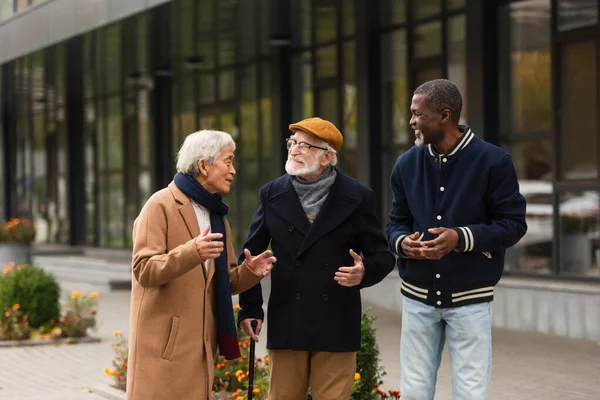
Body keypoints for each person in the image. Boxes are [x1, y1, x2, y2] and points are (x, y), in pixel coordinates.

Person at [386, 79, 527, 399]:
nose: (411, 122)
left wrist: (460, 238)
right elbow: (396, 222)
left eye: (417, 114)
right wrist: (401, 244)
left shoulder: (493, 161)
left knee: (470, 392)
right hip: (416, 298)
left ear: (444, 116)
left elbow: (513, 225)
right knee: (414, 390)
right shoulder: (406, 164)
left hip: (470, 300)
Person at [237, 117, 395, 400]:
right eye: (292, 143)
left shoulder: (358, 197)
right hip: (288, 319)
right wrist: (250, 309)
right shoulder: (272, 193)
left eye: (303, 145)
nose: (294, 150)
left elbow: (383, 256)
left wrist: (365, 271)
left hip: (336, 322)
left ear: (326, 157)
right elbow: (251, 256)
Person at [126, 130, 277, 400]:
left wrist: (250, 272)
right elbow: (144, 270)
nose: (233, 170)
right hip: (163, 348)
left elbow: (226, 281)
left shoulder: (217, 216)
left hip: (200, 347)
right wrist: (192, 251)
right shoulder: (159, 205)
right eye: (228, 161)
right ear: (203, 166)